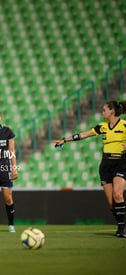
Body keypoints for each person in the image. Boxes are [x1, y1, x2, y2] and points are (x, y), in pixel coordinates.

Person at [54, 100, 126, 238]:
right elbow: (83, 134)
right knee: (112, 203)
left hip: (121, 163)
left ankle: (122, 229)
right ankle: (121, 225)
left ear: (112, 111)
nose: (102, 112)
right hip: (106, 165)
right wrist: (65, 140)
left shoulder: (124, 125)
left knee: (118, 194)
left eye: (104, 110)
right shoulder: (102, 127)